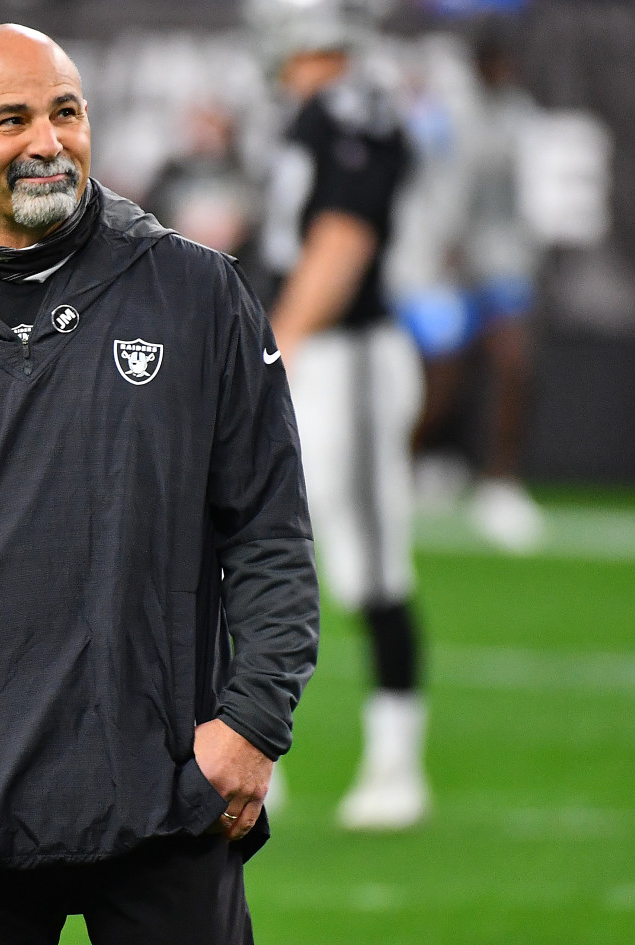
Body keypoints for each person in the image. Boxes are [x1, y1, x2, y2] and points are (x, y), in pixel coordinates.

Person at [0, 22, 320, 945]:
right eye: (12, 120)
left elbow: (269, 530)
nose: (48, 141)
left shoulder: (196, 295)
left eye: (65, 112)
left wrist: (253, 722)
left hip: (165, 798)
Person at [258, 4, 431, 830]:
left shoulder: (353, 105)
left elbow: (342, 237)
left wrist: (283, 339)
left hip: (345, 355)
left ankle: (398, 763)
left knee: (370, 563)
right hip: (308, 351)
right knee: (255, 550)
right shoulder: (311, 112)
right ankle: (253, 754)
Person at [397, 33, 546, 553]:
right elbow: (426, 185)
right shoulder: (445, 112)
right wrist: (433, 251)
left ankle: (500, 482)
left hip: (500, 261)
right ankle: (405, 467)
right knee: (441, 381)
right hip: (442, 264)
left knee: (513, 360)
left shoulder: (520, 114)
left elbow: (525, 197)